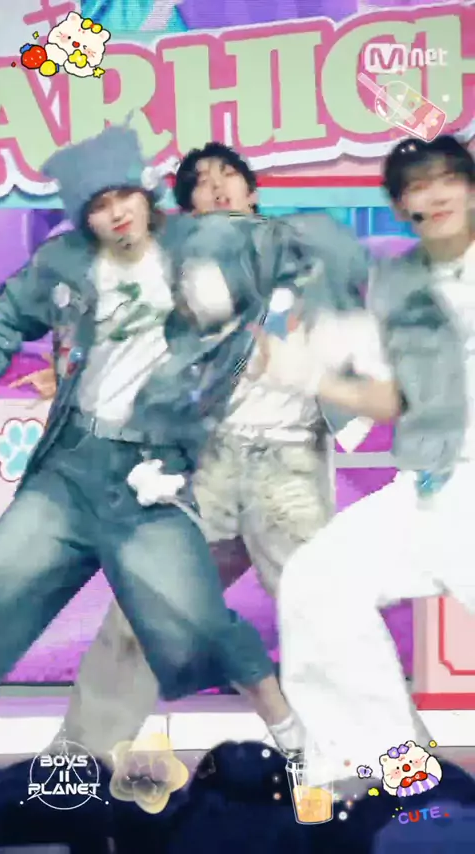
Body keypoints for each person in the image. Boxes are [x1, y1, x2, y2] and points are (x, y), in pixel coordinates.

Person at [53, 141, 371, 760]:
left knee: (327, 624)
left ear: (252, 191)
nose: (219, 185)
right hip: (206, 467)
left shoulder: (302, 255)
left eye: (229, 175)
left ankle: (377, 761)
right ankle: (81, 762)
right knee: (144, 610)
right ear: (190, 206)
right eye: (202, 181)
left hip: (286, 466)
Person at [0, 124, 291, 738]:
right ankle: (81, 757)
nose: (115, 213)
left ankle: (300, 736)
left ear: (147, 193)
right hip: (79, 463)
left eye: (124, 195)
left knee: (207, 620)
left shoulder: (207, 250)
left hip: (182, 468)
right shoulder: (64, 262)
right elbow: (7, 314)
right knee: (7, 585)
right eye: (98, 205)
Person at [277, 134, 475, 794]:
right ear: (398, 206)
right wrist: (306, 373)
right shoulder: (396, 280)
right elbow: (393, 400)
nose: (434, 195)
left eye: (446, 179)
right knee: (316, 584)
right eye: (417, 187)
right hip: (434, 483)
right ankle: (398, 772)